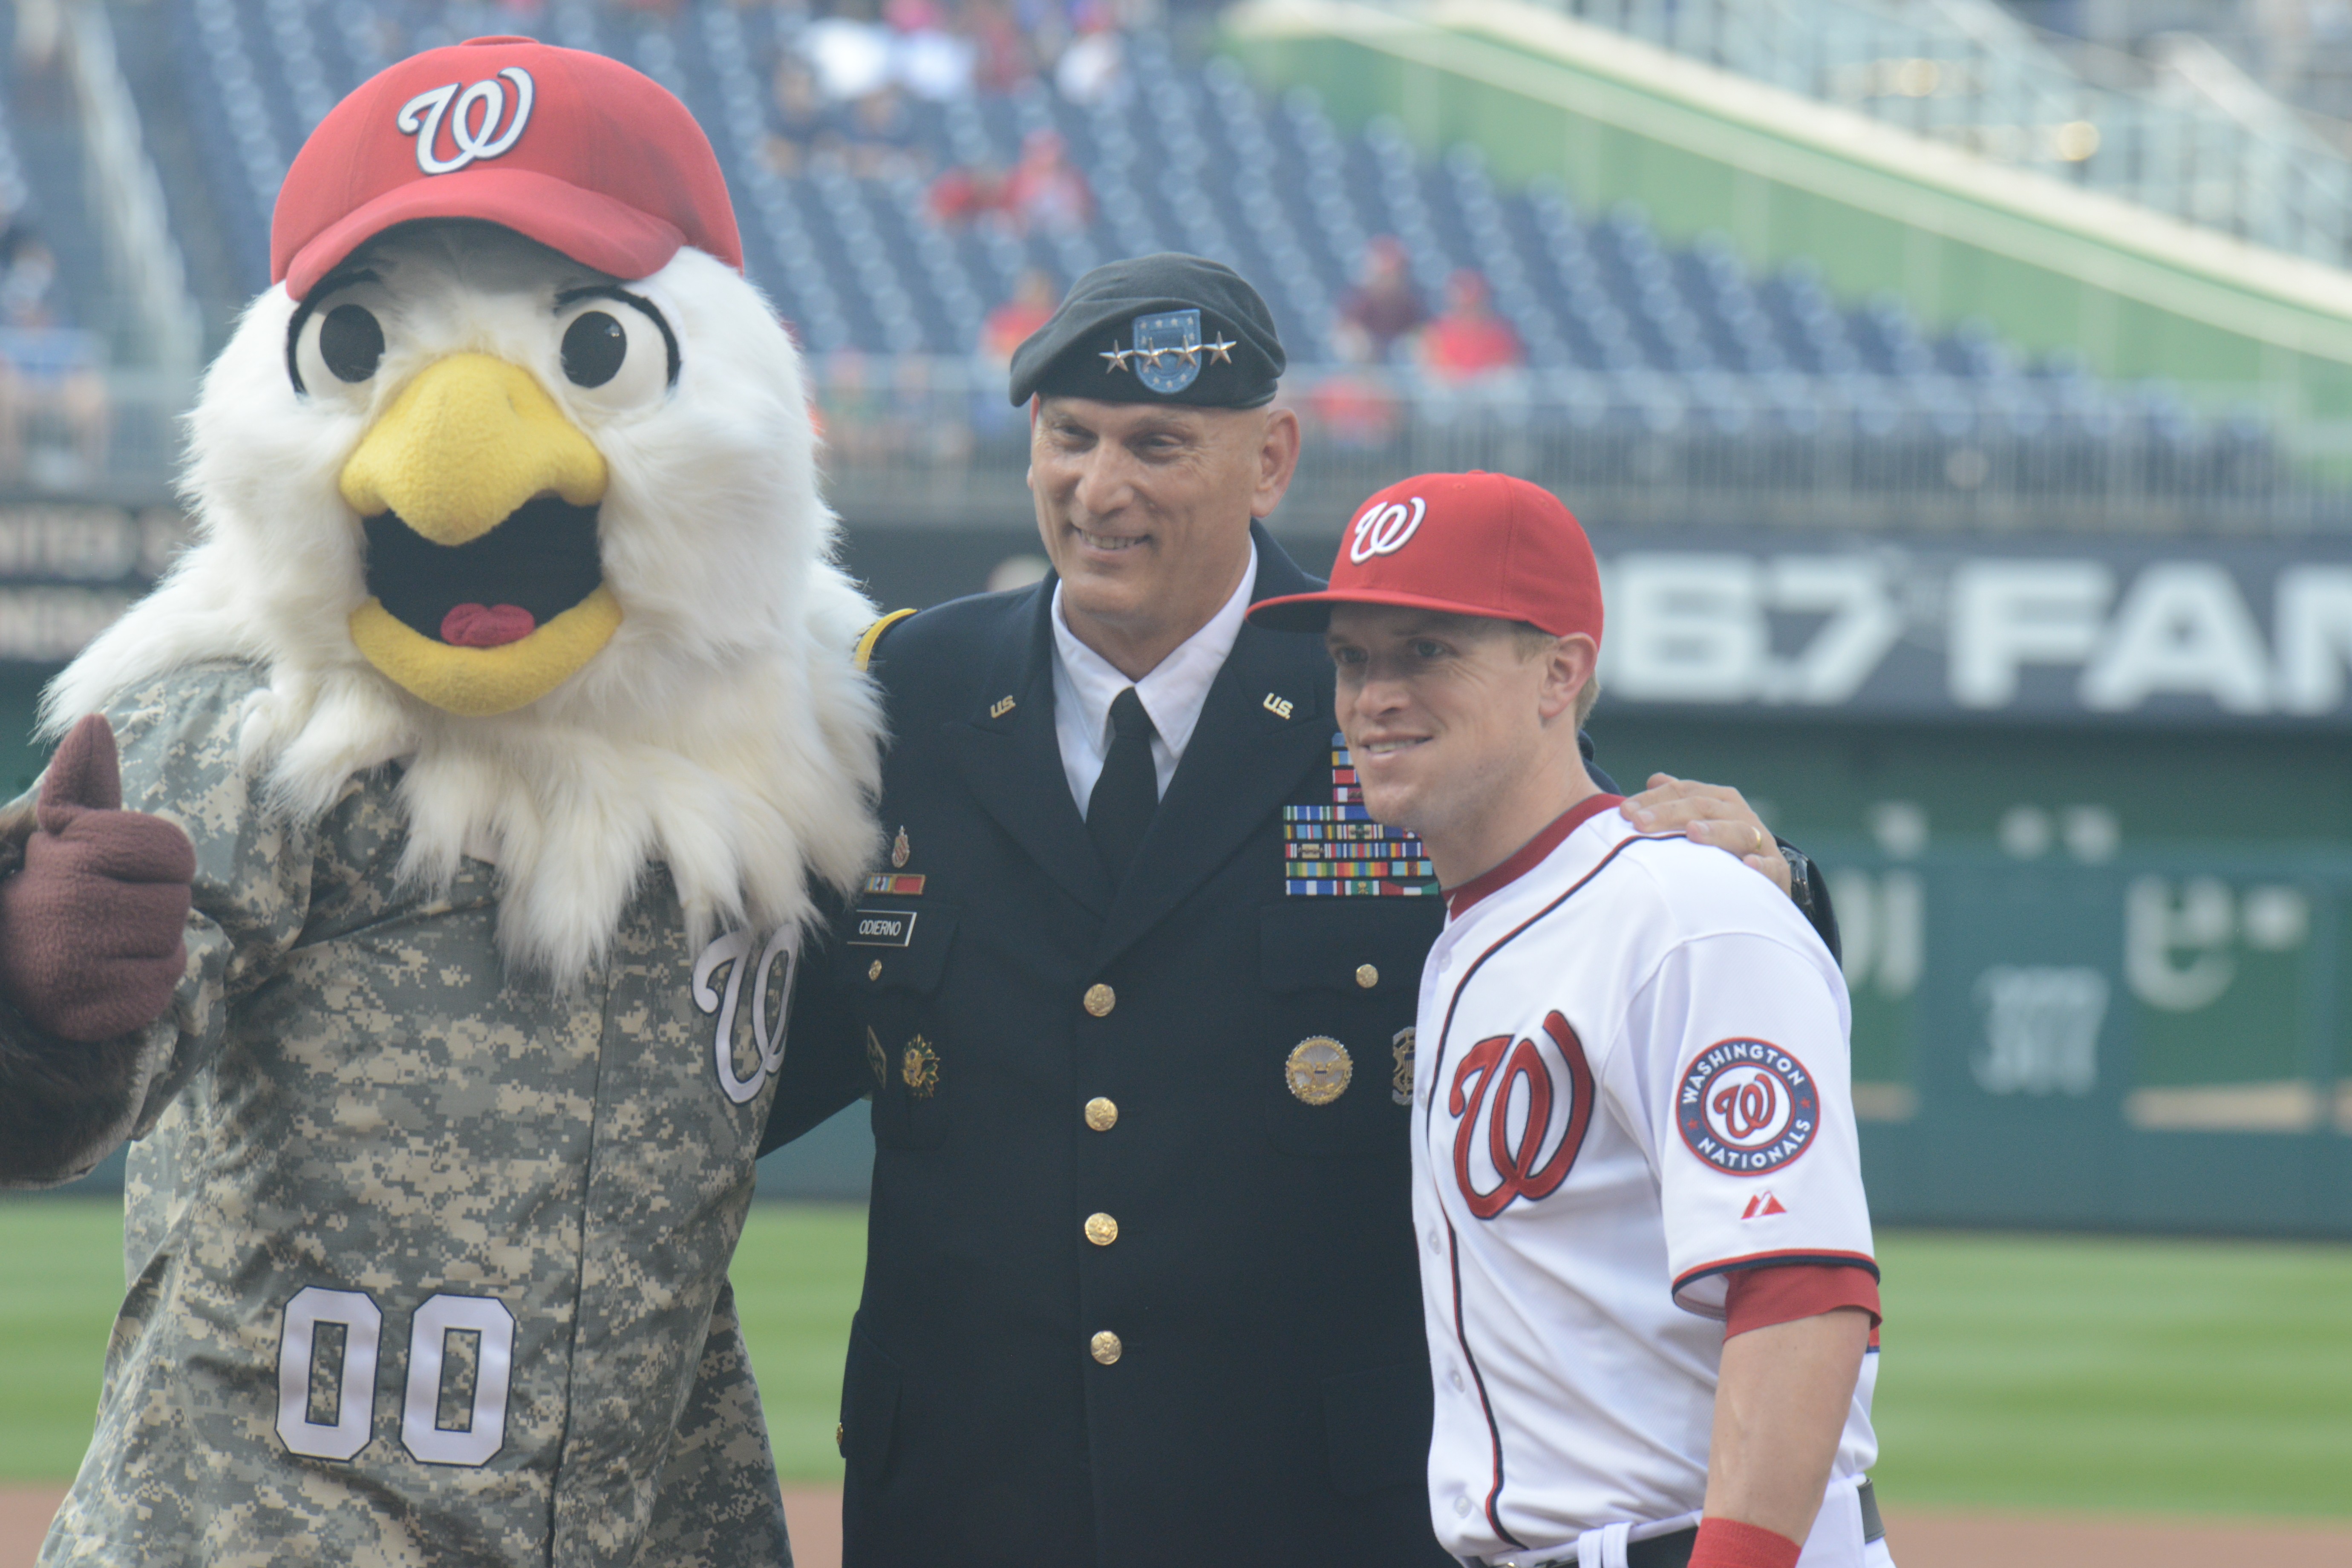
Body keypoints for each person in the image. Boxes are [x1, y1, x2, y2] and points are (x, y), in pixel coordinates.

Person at [766, 254, 1840, 1567]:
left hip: (1316, 1509)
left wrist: (1773, 893)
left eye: (1158, 443)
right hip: (964, 1498)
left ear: (1270, 457)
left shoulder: (1390, 685)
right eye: (1069, 436)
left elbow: (1605, 929)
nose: (1100, 487)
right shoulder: (906, 691)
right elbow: (752, 1058)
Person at [1252, 471, 1888, 1568]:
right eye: (1354, 657)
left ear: (1561, 670)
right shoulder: (1478, 927)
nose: (1374, 695)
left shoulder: (1686, 916)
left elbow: (1799, 1291)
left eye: (1428, 650)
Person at [1420, 268, 1524, 382]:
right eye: (1464, 307)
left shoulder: (1501, 334)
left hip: (1489, 395)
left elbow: (1509, 367)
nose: (1469, 312)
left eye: (1473, 305)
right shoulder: (1437, 333)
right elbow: (1431, 371)